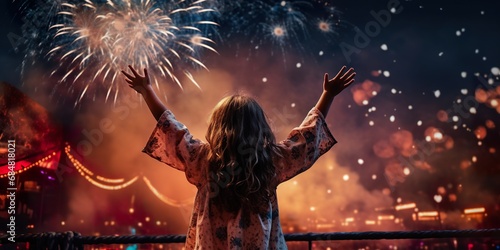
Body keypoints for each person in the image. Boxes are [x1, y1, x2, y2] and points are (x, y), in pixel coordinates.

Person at [121, 65, 355, 249]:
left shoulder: (202, 160)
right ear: (260, 126)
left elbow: (171, 128)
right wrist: (328, 95)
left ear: (217, 125)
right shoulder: (272, 160)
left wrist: (147, 91)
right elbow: (307, 137)